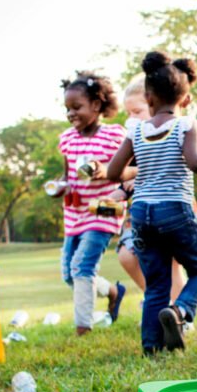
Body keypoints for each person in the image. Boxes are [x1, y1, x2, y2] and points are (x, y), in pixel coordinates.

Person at [107, 52, 197, 354]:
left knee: (156, 283)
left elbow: (112, 172)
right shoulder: (186, 125)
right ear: (185, 99)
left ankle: (151, 347)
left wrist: (141, 167)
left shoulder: (137, 131)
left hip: (143, 213)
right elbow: (196, 163)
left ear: (148, 97)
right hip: (175, 209)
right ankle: (181, 311)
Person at [56, 71, 128, 336]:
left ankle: (83, 327)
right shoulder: (66, 139)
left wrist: (105, 170)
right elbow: (68, 176)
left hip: (104, 210)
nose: (71, 114)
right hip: (74, 214)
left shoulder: (114, 136)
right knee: (69, 274)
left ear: (96, 106)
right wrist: (59, 187)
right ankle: (113, 291)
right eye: (67, 109)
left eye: (77, 107)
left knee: (82, 268)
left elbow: (128, 169)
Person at [115, 76, 186, 302]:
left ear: (155, 103)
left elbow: (180, 168)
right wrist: (118, 192)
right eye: (128, 113)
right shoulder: (135, 140)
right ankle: (159, 302)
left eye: (136, 111)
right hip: (140, 214)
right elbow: (124, 174)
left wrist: (139, 176)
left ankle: (180, 315)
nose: (131, 118)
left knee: (172, 264)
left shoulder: (177, 132)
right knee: (127, 256)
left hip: (172, 208)